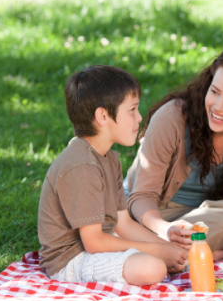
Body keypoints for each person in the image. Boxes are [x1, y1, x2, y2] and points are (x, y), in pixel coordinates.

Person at [38, 65, 187, 285]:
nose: (139, 117)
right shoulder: (81, 165)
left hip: (101, 244)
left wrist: (166, 247)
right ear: (103, 116)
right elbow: (94, 243)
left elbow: (123, 224)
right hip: (71, 260)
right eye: (132, 109)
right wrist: (157, 251)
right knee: (153, 267)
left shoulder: (109, 158)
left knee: (171, 256)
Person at [125, 48, 223, 261]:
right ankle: (192, 254)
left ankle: (165, 254)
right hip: (150, 215)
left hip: (201, 220)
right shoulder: (172, 118)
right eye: (214, 92)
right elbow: (141, 196)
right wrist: (165, 229)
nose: (218, 107)